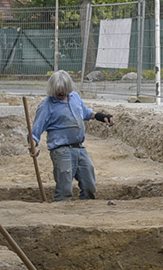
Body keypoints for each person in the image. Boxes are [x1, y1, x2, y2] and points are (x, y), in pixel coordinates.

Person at [27, 71, 112, 201]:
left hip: (79, 148)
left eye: (63, 90)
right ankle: (62, 212)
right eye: (58, 90)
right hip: (61, 151)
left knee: (89, 183)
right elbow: (36, 131)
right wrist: (32, 144)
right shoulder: (46, 106)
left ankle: (86, 212)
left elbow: (86, 112)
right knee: (65, 188)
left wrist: (102, 116)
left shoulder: (75, 97)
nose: (61, 93)